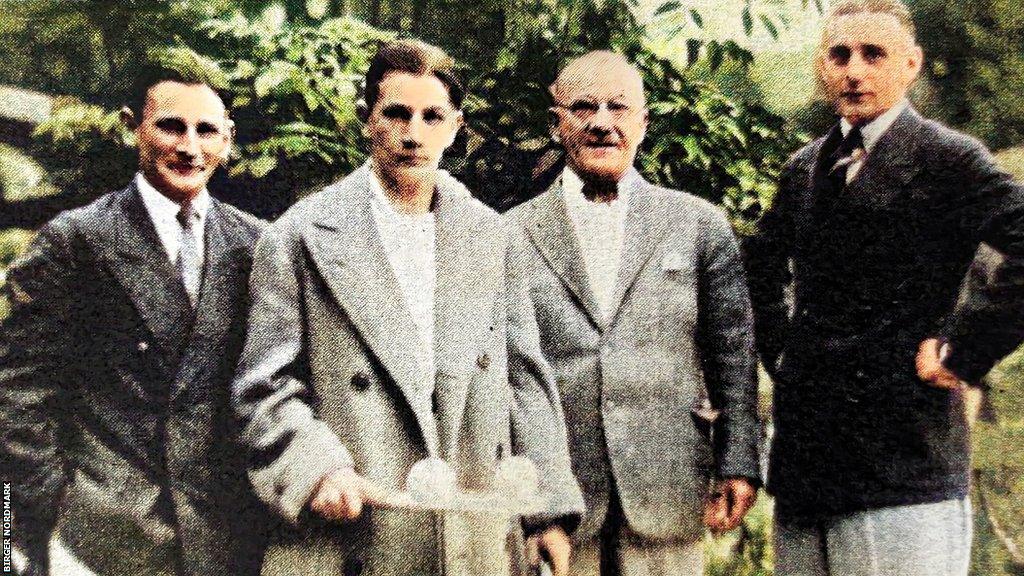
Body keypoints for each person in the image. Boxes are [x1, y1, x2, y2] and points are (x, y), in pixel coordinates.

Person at [232, 39, 584, 576]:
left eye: (431, 116)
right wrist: (317, 470)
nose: (413, 134)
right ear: (366, 119)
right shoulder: (301, 235)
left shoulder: (491, 236)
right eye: (396, 113)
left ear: (454, 126)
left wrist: (548, 513)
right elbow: (264, 387)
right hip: (358, 528)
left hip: (472, 532)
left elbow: (524, 382)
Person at [742, 1, 1024, 573]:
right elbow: (759, 271)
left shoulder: (949, 159)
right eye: (840, 55)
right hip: (807, 464)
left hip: (903, 464)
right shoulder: (804, 168)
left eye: (874, 55)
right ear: (823, 65)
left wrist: (964, 350)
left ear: (911, 65)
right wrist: (785, 359)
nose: (854, 72)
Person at [0, 66, 266, 576]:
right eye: (170, 126)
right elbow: (21, 395)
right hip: (103, 535)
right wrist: (52, 512)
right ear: (133, 127)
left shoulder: (257, 245)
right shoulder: (76, 241)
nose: (189, 147)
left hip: (225, 537)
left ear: (228, 140)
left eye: (206, 130)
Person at [506, 50, 762, 576]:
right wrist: (537, 506)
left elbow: (732, 354)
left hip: (667, 486)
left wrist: (738, 459)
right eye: (584, 108)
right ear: (557, 125)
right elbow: (509, 376)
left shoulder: (697, 225)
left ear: (643, 123)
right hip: (561, 499)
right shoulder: (510, 233)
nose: (602, 123)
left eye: (618, 108)